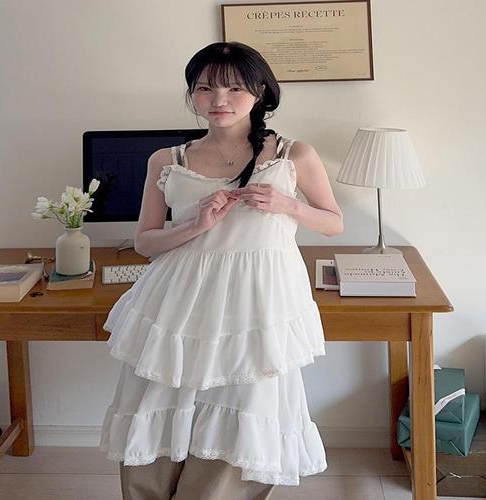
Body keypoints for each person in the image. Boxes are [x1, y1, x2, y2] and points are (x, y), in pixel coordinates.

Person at [99, 41, 343, 500]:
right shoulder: (167, 160)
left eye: (234, 88)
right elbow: (145, 242)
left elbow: (333, 222)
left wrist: (288, 205)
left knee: (243, 411)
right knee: (160, 401)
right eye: (205, 88)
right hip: (179, 303)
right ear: (192, 94)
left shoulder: (293, 154)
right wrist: (195, 225)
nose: (219, 99)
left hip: (259, 305)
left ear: (260, 92)